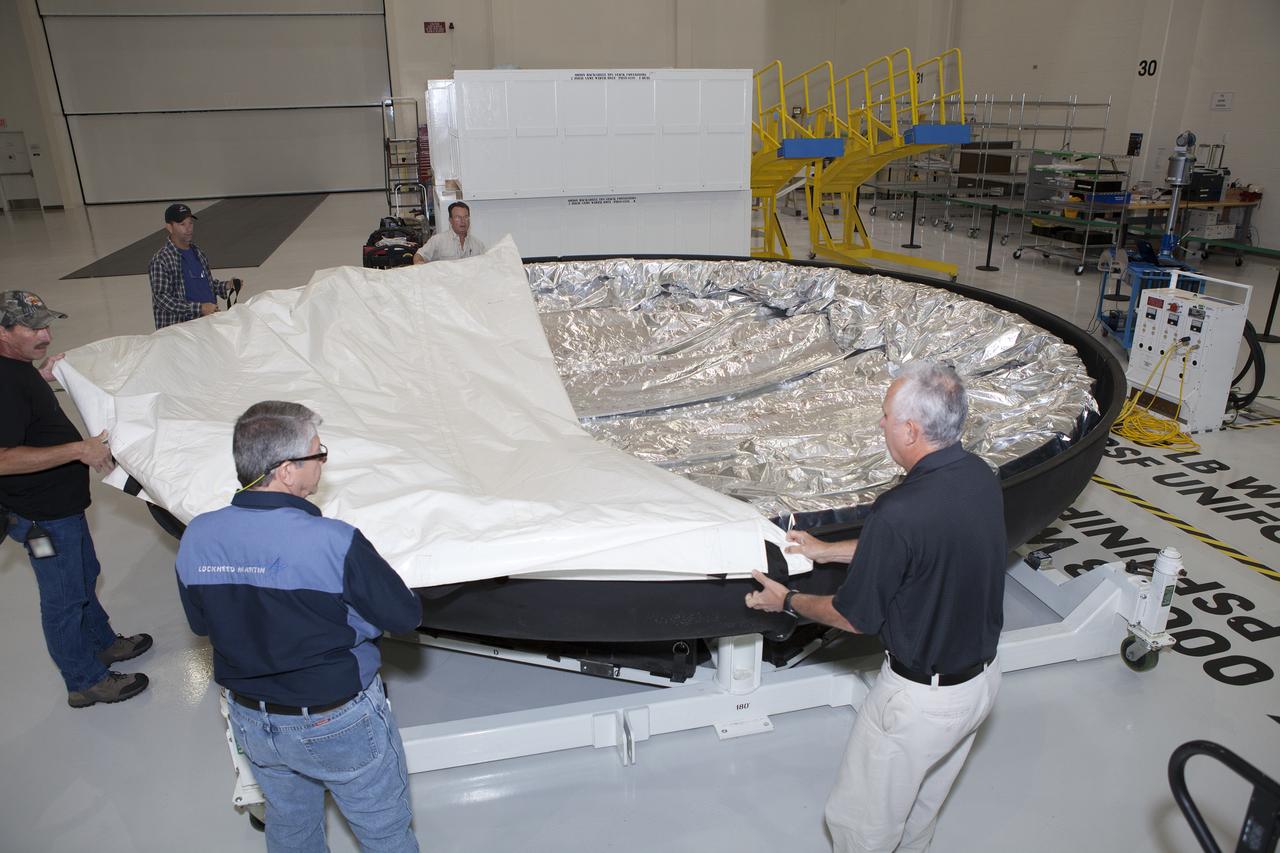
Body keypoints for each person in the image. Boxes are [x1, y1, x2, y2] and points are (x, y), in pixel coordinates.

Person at [746, 361, 1005, 853]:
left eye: (886, 415)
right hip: (980, 685)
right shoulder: (978, 476)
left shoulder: (898, 510)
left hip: (918, 703)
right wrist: (826, 551)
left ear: (910, 430)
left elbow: (854, 616)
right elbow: (915, 547)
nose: (880, 423)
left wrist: (788, 601)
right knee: (919, 813)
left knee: (860, 827)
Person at [175, 401, 423, 852]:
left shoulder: (198, 535)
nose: (322, 462)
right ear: (287, 470)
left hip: (253, 718)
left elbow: (202, 623)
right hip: (336, 719)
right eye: (318, 453)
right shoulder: (333, 541)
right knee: (384, 831)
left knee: (291, 828)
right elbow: (404, 617)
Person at [0, 290, 152, 708]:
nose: (46, 335)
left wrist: (43, 376)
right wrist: (79, 450)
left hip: (60, 507)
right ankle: (85, 681)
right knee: (63, 599)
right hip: (41, 517)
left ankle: (102, 643)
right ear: (3, 331)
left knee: (85, 575)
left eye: (47, 325)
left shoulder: (17, 367)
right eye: (33, 328)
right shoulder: (3, 383)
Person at [148, 202, 242, 329]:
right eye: (182, 224)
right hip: (181, 330)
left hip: (207, 324)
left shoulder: (198, 253)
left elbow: (204, 284)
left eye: (190, 223)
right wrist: (200, 308)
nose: (188, 228)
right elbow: (162, 299)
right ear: (169, 227)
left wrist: (227, 285)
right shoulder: (161, 260)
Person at [413, 201, 485, 263]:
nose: (463, 221)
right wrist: (419, 265)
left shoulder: (478, 245)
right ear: (450, 220)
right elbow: (419, 255)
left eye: (466, 217)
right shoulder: (438, 240)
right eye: (458, 217)